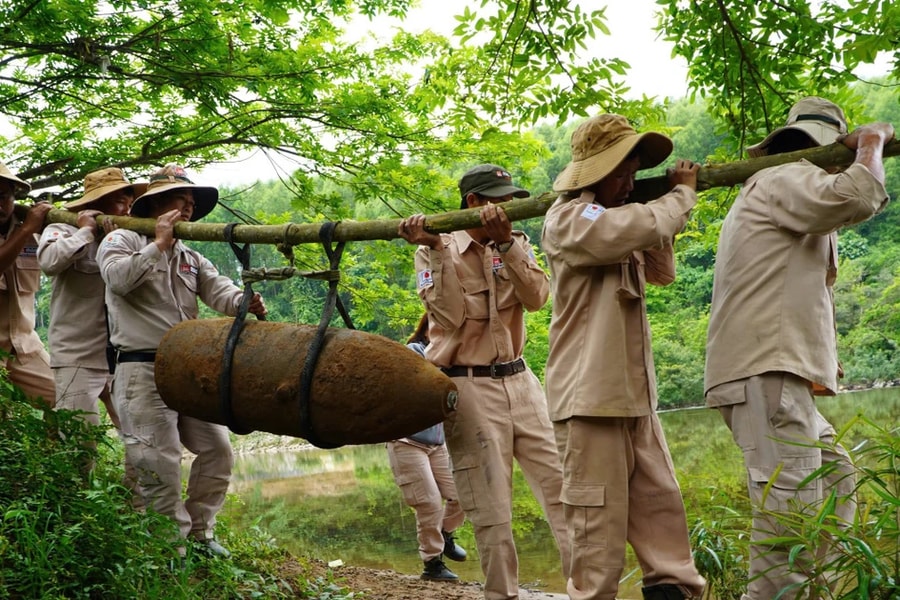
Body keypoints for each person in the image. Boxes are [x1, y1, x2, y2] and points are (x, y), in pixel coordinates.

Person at [704, 97, 894, 599]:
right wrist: (872, 141)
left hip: (778, 374)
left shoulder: (788, 189)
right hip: (765, 372)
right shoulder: (784, 177)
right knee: (788, 521)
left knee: (837, 479)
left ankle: (814, 591)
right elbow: (858, 195)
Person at [541, 114, 707, 600]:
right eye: (621, 173)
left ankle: (673, 592)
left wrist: (654, 204)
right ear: (594, 173)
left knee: (662, 513)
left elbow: (661, 270)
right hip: (590, 401)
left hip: (636, 399)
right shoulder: (569, 219)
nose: (630, 183)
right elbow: (633, 227)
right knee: (596, 536)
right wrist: (681, 196)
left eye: (634, 174)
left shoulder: (621, 215)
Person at [398, 163, 570, 600]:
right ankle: (502, 595)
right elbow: (450, 315)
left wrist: (508, 244)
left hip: (522, 380)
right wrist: (435, 248)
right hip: (469, 386)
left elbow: (537, 298)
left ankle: (587, 591)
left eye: (510, 200)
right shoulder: (435, 248)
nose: (507, 207)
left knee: (564, 491)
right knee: (491, 508)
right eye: (499, 200)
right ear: (473, 202)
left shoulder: (515, 242)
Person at [98, 163, 267, 559]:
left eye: (192, 200)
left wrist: (244, 301)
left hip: (187, 369)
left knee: (217, 450)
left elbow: (219, 291)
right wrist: (157, 245)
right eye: (180, 198)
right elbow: (118, 280)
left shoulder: (190, 255)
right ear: (155, 203)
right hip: (140, 368)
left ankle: (200, 533)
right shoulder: (121, 239)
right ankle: (168, 550)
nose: (189, 206)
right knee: (158, 461)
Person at [38, 167, 144, 432]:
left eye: (130, 204)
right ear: (96, 203)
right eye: (120, 202)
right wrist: (86, 232)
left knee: (138, 434)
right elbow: (49, 262)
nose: (126, 211)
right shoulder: (62, 229)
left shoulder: (128, 240)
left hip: (121, 355)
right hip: (77, 356)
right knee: (80, 438)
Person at [387, 313, 468, 582]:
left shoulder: (452, 358)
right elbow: (419, 382)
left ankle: (445, 534)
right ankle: (432, 563)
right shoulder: (415, 351)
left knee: (462, 493)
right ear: (426, 330)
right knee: (429, 502)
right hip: (407, 441)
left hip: (436, 443)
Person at [0, 161, 55, 406]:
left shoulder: (31, 229)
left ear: (14, 196)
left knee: (64, 399)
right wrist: (26, 231)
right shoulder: (27, 229)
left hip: (24, 347)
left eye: (3, 197)